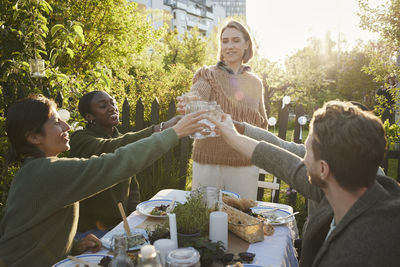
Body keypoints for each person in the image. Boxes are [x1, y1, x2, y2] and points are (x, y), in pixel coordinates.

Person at [0, 95, 206, 266]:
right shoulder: (46, 172)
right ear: (34, 138)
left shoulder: (35, 170)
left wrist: (73, 245)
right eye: (56, 122)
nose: (67, 126)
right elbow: (115, 163)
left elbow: (35, 232)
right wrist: (174, 133)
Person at [210, 100, 400, 266]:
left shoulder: (354, 255)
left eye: (306, 152)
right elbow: (283, 162)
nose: (302, 160)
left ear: (323, 169)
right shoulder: (347, 187)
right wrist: (233, 135)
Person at [69, 90, 181, 239]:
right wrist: (160, 128)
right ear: (89, 117)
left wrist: (135, 217)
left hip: (119, 226)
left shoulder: (119, 138)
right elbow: (111, 147)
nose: (112, 108)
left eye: (112, 102)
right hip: (89, 231)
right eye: (103, 106)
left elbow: (132, 186)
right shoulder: (81, 139)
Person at [183, 20, 268, 200]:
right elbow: (198, 94)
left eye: (236, 40)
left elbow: (262, 125)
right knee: (202, 219)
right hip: (208, 163)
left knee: (242, 220)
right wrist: (192, 100)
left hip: (245, 164)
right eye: (225, 41)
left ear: (247, 44)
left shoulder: (255, 83)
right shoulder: (208, 74)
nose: (229, 46)